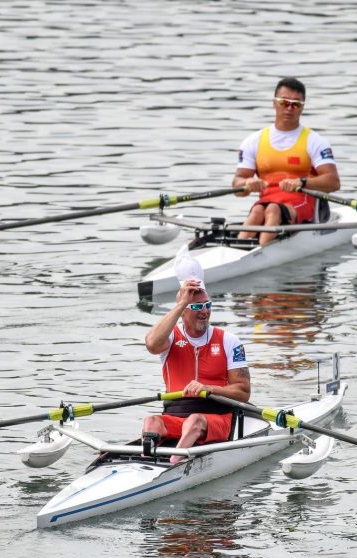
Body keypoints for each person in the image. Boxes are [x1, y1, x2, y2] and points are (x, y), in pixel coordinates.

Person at [143, 279, 251, 464]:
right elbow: (152, 344)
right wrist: (182, 303)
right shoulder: (169, 338)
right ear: (183, 309)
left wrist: (208, 388)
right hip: (176, 415)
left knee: (194, 421)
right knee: (151, 421)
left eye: (208, 305)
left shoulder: (229, 341)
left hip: (218, 418)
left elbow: (243, 392)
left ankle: (173, 463)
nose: (205, 311)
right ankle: (144, 460)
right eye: (197, 306)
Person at [233, 77, 341, 247]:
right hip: (267, 200)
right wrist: (247, 183)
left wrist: (302, 181)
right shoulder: (253, 141)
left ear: (302, 107)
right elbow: (237, 187)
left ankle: (261, 251)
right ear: (274, 103)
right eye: (284, 102)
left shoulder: (315, 141)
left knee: (273, 209)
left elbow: (333, 182)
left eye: (296, 104)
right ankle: (240, 247)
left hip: (302, 201)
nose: (289, 108)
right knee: (257, 210)